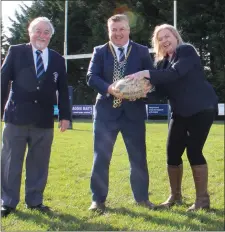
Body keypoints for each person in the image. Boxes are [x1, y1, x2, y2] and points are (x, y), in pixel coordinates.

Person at [125, 24, 218, 211]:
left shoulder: (186, 51)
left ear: (176, 37)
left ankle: (203, 201)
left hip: (202, 108)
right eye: (160, 39)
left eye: (168, 36)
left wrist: (145, 73)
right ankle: (175, 196)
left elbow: (175, 74)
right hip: (180, 112)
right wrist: (137, 93)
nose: (164, 40)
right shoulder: (161, 64)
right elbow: (160, 92)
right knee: (172, 153)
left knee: (194, 151)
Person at [1, 17, 71, 217]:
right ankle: (8, 202)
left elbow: (63, 90)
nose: (42, 35)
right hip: (16, 118)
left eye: (46, 32)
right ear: (29, 33)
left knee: (39, 163)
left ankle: (35, 201)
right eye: (38, 31)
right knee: (10, 162)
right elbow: (2, 81)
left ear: (51, 36)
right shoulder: (16, 51)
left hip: (44, 120)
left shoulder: (58, 59)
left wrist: (65, 115)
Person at [86, 14, 155, 212]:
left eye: (121, 29)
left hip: (133, 113)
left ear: (128, 29)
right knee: (101, 158)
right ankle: (97, 200)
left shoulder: (141, 51)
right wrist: (109, 89)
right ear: (109, 31)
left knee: (138, 158)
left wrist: (142, 92)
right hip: (106, 114)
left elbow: (151, 79)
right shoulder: (99, 51)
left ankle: (142, 198)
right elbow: (91, 77)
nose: (118, 33)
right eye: (114, 30)